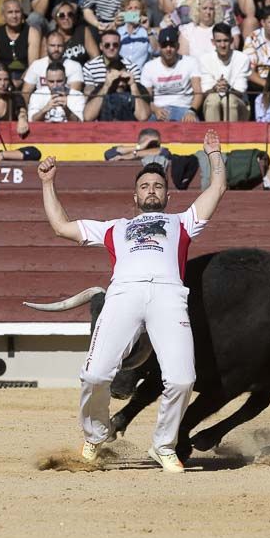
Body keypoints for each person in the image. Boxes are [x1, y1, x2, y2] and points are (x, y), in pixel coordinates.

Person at [37, 129, 228, 472]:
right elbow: (61, 227)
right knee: (95, 375)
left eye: (157, 185)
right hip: (123, 293)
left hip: (169, 295)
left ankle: (163, 445)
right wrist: (48, 183)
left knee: (183, 379)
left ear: (167, 195)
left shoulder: (182, 222)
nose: (151, 190)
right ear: (135, 197)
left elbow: (217, 189)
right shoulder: (114, 227)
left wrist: (214, 154)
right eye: (145, 186)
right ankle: (95, 435)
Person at [142, 27, 202, 121]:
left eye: (172, 45)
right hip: (160, 108)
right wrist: (155, 109)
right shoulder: (149, 67)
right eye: (164, 45)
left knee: (193, 127)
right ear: (159, 46)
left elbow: (198, 92)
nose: (168, 49)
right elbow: (146, 98)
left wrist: (192, 111)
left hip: (184, 108)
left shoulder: (190, 62)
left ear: (178, 46)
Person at [197, 23, 251, 121]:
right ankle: (213, 135)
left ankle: (232, 135)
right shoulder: (204, 59)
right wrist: (215, 88)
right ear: (213, 42)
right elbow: (205, 92)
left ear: (231, 41)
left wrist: (228, 88)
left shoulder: (243, 58)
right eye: (219, 41)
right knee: (213, 100)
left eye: (226, 41)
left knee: (228, 101)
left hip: (238, 104)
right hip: (213, 101)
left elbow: (240, 91)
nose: (222, 45)